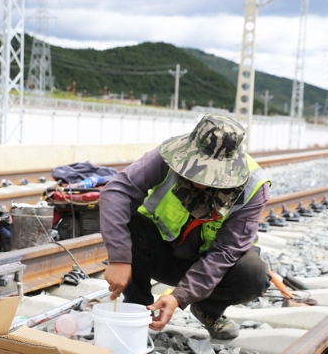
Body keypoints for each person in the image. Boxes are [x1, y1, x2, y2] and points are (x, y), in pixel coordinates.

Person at [100, 113, 271, 340]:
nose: (199, 177)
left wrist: (178, 297)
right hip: (161, 254)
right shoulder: (170, 154)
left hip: (210, 267)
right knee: (130, 223)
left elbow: (226, 252)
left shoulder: (253, 186)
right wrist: (119, 257)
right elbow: (117, 192)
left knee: (254, 273)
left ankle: (208, 309)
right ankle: (138, 310)